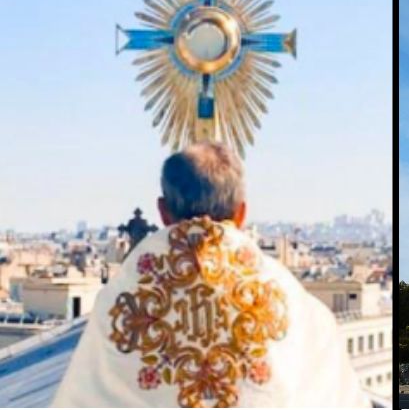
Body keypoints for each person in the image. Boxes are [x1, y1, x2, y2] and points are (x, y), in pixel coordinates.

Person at [51, 142, 369, 407]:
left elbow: (85, 395)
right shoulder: (286, 296)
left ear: (162, 211)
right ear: (242, 211)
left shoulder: (124, 294)